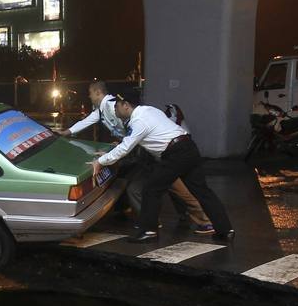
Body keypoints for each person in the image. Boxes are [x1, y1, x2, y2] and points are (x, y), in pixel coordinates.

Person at [93, 97, 233, 244]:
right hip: (188, 147)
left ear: (126, 105)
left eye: (116, 107)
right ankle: (226, 230)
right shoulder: (150, 110)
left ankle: (149, 231)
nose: (115, 111)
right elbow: (131, 142)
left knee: (151, 189)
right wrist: (108, 155)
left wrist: (100, 162)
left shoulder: (139, 121)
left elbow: (126, 148)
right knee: (203, 191)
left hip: (175, 153)